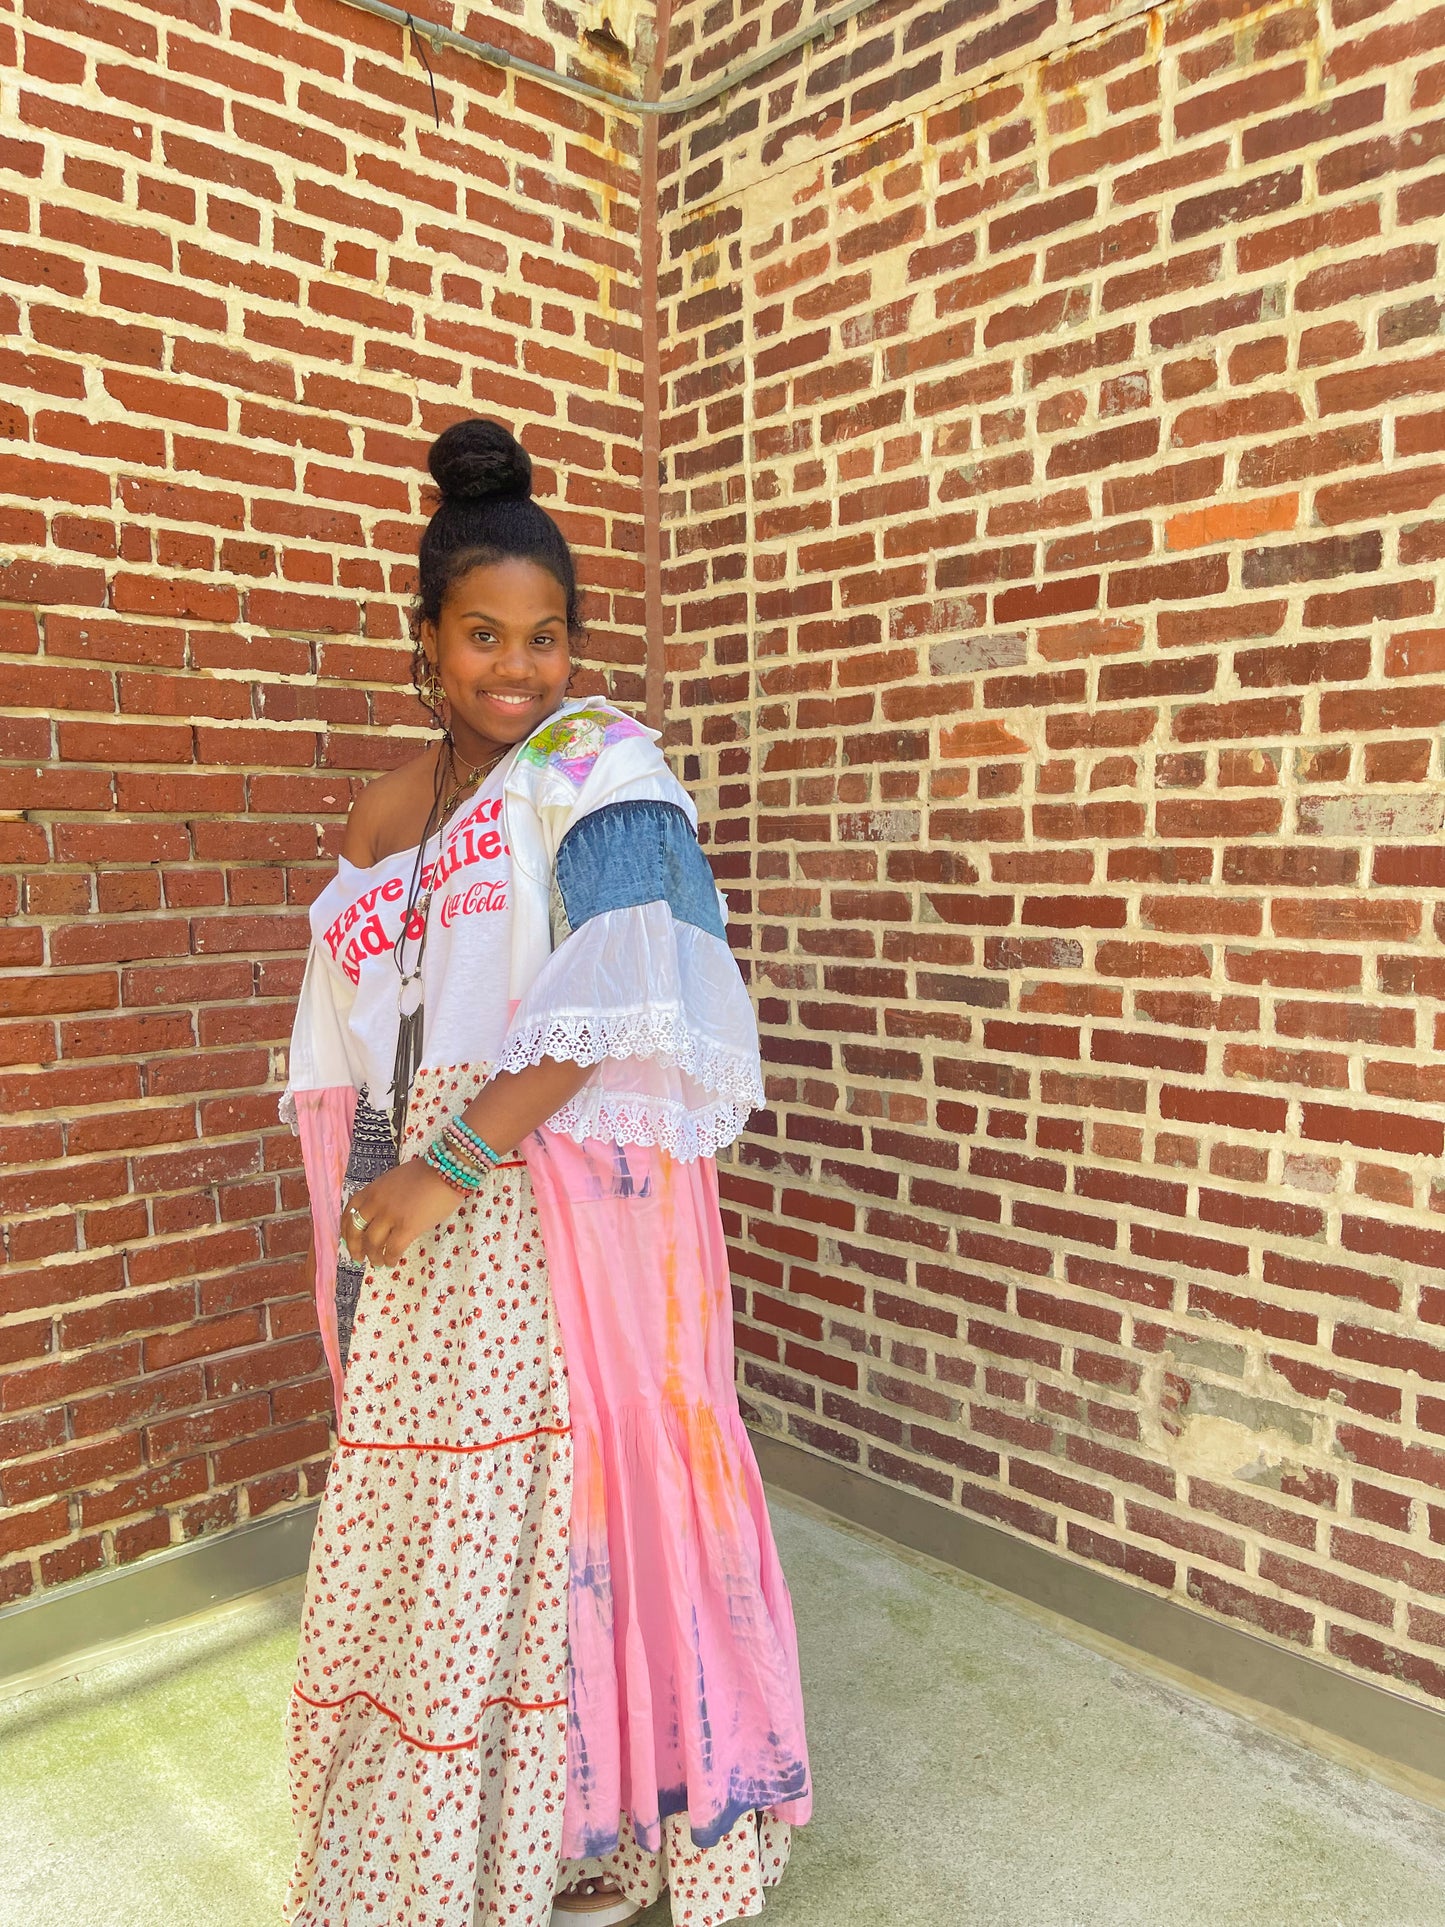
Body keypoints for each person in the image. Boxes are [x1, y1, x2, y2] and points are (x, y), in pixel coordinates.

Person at [281, 417, 811, 1927]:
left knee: (578, 1495)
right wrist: (381, 1194)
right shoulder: (388, 812)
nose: (517, 668)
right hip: (424, 1214)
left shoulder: (596, 763)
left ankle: (612, 1829)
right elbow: (355, 1037)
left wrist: (445, 1166)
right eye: (483, 636)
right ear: (426, 640)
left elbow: (628, 982)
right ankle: (456, 1837)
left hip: (559, 1192)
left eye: (547, 636)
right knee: (445, 1519)